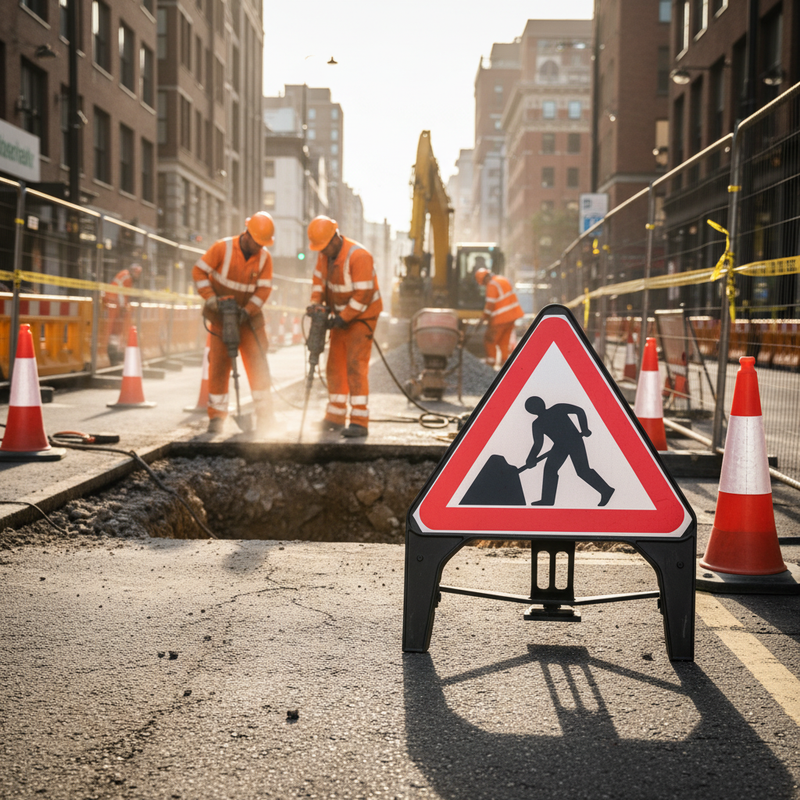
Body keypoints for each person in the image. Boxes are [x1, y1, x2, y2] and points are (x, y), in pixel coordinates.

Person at [191, 212, 275, 435]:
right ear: (246, 234)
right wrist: (211, 298)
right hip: (221, 317)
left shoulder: (265, 258)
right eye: (257, 242)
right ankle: (217, 418)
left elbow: (264, 289)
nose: (259, 248)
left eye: (262, 244)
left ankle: (265, 417)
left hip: (249, 321)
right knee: (218, 365)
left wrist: (248, 311)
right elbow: (198, 270)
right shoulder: (222, 248)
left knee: (258, 366)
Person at [307, 215, 382, 438]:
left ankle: (359, 421)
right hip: (341, 316)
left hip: (362, 317)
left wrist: (343, 317)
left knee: (355, 365)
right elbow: (318, 283)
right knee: (334, 365)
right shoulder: (324, 255)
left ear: (335, 238)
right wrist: (316, 305)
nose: (323, 252)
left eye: (324, 247)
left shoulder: (359, 256)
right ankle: (335, 416)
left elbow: (363, 295)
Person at [523, 395, 614, 507]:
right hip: (559, 446)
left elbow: (579, 411)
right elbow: (538, 444)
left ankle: (606, 490)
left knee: (582, 470)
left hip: (574, 441)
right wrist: (531, 458)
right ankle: (547, 500)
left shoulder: (557, 409)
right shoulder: (537, 423)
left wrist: (584, 428)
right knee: (550, 470)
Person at [474, 264, 524, 367]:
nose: (484, 285)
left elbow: (490, 305)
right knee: (504, 341)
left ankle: (490, 363)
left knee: (489, 339)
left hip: (501, 318)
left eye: (483, 283)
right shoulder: (502, 279)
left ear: (484, 279)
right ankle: (504, 363)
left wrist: (482, 319)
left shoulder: (492, 284)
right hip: (512, 317)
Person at [105, 262, 143, 365]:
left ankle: (113, 351)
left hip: (114, 302)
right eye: (137, 273)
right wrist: (123, 307)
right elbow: (121, 293)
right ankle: (112, 352)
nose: (137, 276)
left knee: (115, 329)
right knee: (112, 328)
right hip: (114, 302)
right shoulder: (127, 277)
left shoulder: (126, 276)